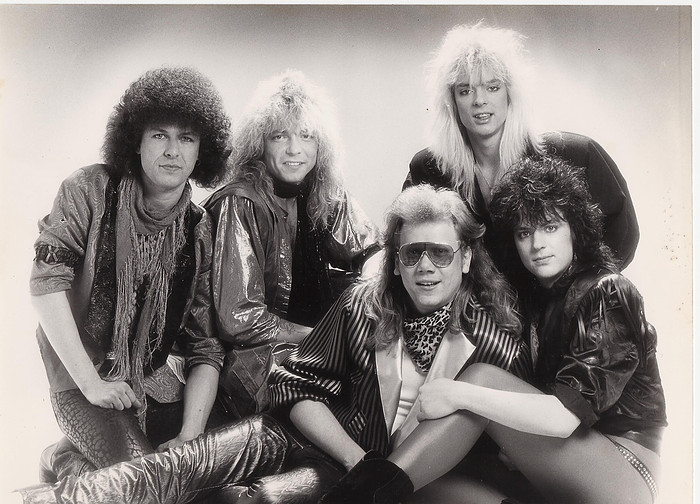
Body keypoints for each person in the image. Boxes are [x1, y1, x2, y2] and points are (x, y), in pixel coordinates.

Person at [17, 184, 530, 504]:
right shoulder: (362, 306)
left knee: (249, 501)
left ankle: (67, 464)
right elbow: (294, 386)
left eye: (441, 253)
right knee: (180, 467)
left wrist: (371, 474)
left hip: (354, 480)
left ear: (466, 258)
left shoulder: (497, 344)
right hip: (301, 439)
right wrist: (358, 460)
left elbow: (486, 439)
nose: (425, 267)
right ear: (396, 261)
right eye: (413, 253)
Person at [337, 157, 662, 504]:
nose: (537, 244)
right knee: (422, 481)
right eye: (525, 233)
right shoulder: (536, 299)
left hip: (625, 470)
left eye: (550, 227)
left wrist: (459, 394)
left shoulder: (607, 290)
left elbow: (563, 419)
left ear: (575, 230)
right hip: (558, 468)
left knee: (480, 378)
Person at [30, 67, 230, 482]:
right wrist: (92, 384)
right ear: (135, 141)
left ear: (201, 151)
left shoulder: (199, 228)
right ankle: (65, 461)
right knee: (148, 484)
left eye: (186, 138)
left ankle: (71, 455)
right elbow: (46, 285)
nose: (172, 151)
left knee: (196, 475)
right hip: (81, 378)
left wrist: (191, 434)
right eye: (159, 135)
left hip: (153, 382)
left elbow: (206, 346)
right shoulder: (88, 189)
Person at [203, 69, 380, 418]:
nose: (295, 149)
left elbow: (372, 250)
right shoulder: (240, 202)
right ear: (259, 143)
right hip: (258, 357)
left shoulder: (323, 191)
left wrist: (372, 289)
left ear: (321, 145)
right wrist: (326, 337)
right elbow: (240, 318)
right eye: (279, 136)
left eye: (307, 135)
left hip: (316, 346)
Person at [404, 22, 639, 269]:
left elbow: (622, 233)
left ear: (510, 93)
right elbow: (406, 243)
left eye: (492, 87)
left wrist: (581, 285)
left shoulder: (575, 155)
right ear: (451, 101)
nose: (479, 100)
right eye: (465, 91)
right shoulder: (428, 170)